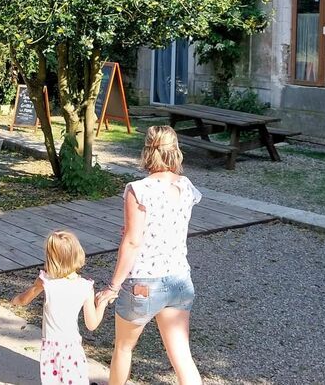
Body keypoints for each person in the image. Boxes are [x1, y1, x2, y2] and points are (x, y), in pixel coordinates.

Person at [100, 126, 202, 385]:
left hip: (144, 282)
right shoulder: (186, 186)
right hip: (179, 278)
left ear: (146, 151)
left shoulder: (138, 189)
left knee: (123, 348)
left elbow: (133, 241)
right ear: (175, 151)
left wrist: (113, 286)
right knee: (182, 356)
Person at [12, 230, 113, 385]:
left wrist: (15, 300)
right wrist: (102, 303)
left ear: (51, 259)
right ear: (78, 254)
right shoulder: (86, 287)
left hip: (51, 347)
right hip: (72, 347)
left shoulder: (45, 282)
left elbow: (24, 300)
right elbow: (91, 325)